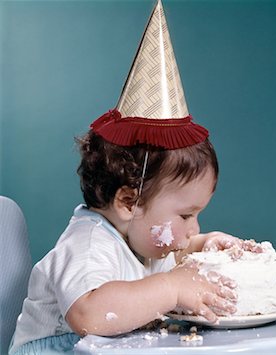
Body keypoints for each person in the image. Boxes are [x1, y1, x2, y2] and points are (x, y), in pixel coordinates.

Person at [9, 0, 250, 353]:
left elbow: (171, 257)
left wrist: (204, 245)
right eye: (185, 216)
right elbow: (89, 314)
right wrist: (173, 289)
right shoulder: (89, 246)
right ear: (128, 201)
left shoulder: (143, 236)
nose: (192, 228)